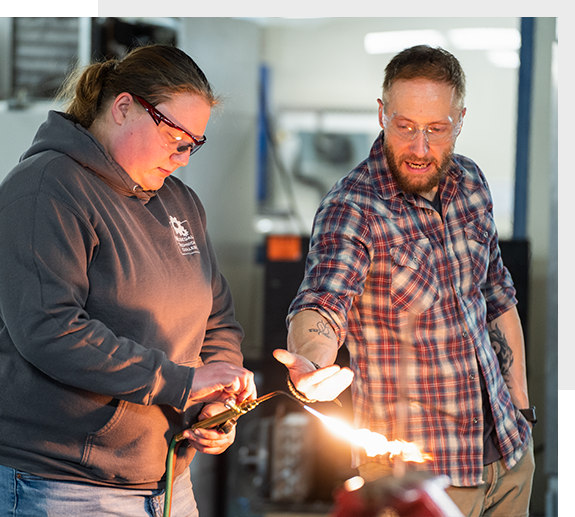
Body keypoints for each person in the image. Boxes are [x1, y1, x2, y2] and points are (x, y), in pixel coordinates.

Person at [274, 45, 535, 517]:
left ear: (458, 121)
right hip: (421, 478)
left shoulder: (471, 183)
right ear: (382, 114)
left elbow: (497, 294)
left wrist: (521, 405)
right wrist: (312, 364)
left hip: (509, 456)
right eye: (405, 126)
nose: (419, 148)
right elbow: (323, 302)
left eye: (435, 129)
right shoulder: (352, 206)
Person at [0, 44, 256, 516]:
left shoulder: (180, 202)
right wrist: (182, 382)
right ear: (123, 108)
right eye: (175, 136)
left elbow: (216, 318)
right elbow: (50, 329)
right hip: (64, 485)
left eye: (193, 144)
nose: (182, 157)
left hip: (166, 479)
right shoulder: (46, 188)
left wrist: (214, 400)